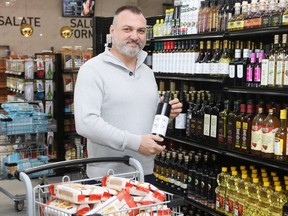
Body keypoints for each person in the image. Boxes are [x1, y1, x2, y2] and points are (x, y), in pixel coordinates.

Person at [74, 5, 182, 183]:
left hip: (145, 173)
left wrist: (166, 116)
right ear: (112, 31)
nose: (135, 36)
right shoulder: (92, 69)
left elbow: (141, 120)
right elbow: (86, 123)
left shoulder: (147, 72)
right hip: (107, 178)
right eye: (127, 29)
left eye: (140, 31)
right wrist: (136, 142)